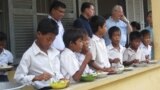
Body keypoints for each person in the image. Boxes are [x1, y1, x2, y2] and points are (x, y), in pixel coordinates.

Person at [14, 18, 64, 89]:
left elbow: (57, 73)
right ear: (39, 34)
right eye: (48, 39)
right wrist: (36, 78)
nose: (50, 42)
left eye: (53, 40)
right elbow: (18, 78)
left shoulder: (55, 52)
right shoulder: (29, 55)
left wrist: (62, 79)